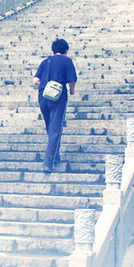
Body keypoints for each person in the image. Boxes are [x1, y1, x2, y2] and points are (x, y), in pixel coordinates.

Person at [33, 38, 77, 174]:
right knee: (55, 130)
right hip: (57, 97)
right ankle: (48, 163)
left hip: (43, 96)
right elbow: (72, 80)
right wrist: (72, 90)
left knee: (50, 127)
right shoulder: (67, 61)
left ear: (53, 50)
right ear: (66, 50)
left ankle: (56, 156)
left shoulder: (45, 61)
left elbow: (35, 80)